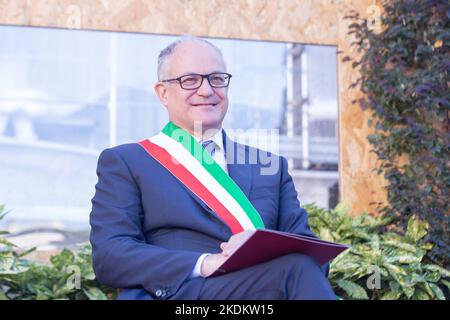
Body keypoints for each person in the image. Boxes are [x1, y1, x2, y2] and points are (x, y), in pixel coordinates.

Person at [89, 36, 336, 300]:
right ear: (163, 93)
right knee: (296, 270)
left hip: (266, 291)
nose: (207, 90)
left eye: (217, 79)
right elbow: (110, 256)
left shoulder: (270, 167)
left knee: (300, 267)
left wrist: (256, 249)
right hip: (183, 295)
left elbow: (315, 260)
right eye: (190, 80)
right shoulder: (128, 162)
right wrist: (206, 263)